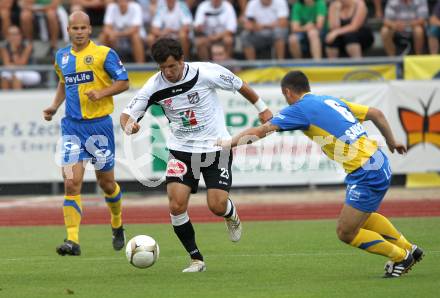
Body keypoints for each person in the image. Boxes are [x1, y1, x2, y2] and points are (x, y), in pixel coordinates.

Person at [219, 70, 424, 278]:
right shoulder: (330, 100)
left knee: (346, 232)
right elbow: (376, 113)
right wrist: (391, 141)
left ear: (287, 92)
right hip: (378, 161)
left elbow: (262, 130)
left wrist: (229, 143)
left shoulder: (300, 109)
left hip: (365, 170)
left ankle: (401, 256)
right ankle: (410, 248)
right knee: (363, 217)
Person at [120, 38, 272, 272]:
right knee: (177, 205)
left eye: (172, 66)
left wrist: (262, 109)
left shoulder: (207, 72)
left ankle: (230, 214)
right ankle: (196, 259)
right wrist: (129, 126)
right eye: (162, 68)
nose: (167, 72)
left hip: (216, 148)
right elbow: (128, 114)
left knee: (216, 205)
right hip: (181, 151)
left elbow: (239, 84)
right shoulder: (154, 86)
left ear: (182, 60)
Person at [43, 11, 129, 256]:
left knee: (107, 183)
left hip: (99, 128)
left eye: (83, 28)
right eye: (74, 28)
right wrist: (54, 106)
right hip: (71, 129)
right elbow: (63, 83)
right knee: (71, 183)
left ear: (90, 30)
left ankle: (117, 222)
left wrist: (101, 93)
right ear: (68, 30)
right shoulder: (61, 56)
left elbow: (124, 81)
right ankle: (72, 240)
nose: (79, 32)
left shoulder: (104, 54)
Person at [1, 25, 41, 90]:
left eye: (17, 34)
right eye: (12, 34)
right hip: (12, 71)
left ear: (20, 35)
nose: (15, 37)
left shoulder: (27, 46)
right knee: (5, 75)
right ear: (8, 37)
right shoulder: (4, 48)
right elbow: (7, 64)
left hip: (30, 71)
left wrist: (14, 50)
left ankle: (16, 98)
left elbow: (22, 64)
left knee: (17, 75)